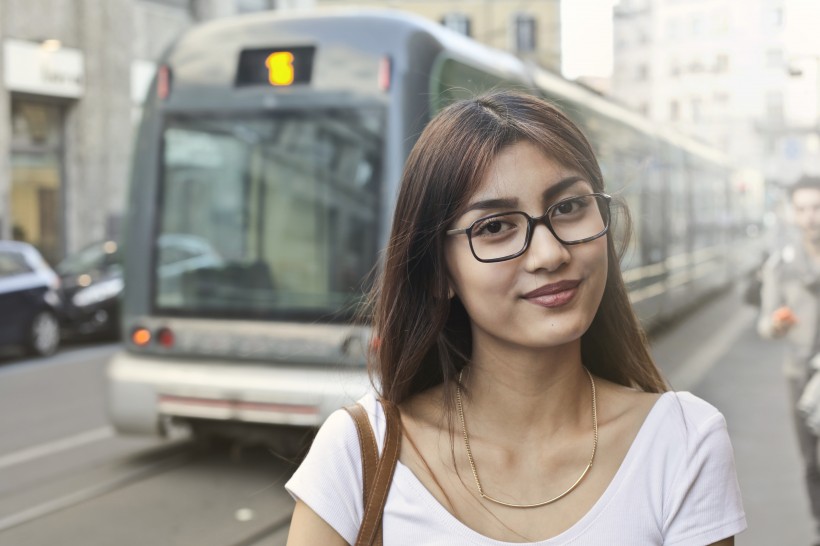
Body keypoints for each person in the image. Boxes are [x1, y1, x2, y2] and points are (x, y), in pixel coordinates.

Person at [285, 90, 746, 545]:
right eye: (494, 227)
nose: (550, 254)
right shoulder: (359, 454)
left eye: (568, 207)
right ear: (439, 273)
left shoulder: (683, 443)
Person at [758, 175, 820, 543]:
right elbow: (764, 321)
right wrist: (776, 326)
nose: (810, 217)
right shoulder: (781, 263)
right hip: (800, 374)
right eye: (802, 209)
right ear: (792, 213)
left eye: (816, 207)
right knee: (812, 461)